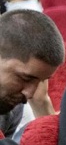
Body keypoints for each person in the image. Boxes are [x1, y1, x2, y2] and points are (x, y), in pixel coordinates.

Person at [0, 8, 59, 136]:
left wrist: (42, 102)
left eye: (40, 81)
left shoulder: (11, 107)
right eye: (25, 78)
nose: (29, 94)